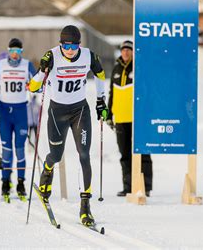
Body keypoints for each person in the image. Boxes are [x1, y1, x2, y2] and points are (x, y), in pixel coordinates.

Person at [29, 25, 108, 226]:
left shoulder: (89, 56)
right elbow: (32, 87)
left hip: (80, 111)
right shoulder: (53, 56)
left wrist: (101, 101)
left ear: (79, 45)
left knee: (84, 155)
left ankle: (85, 207)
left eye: (74, 45)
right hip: (57, 112)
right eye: (66, 45)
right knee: (56, 155)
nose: (70, 50)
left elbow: (100, 75)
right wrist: (41, 70)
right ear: (60, 44)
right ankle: (47, 172)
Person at [0, 38, 36, 202]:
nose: (15, 55)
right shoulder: (0, 65)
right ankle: (6, 182)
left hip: (21, 111)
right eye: (13, 51)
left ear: (22, 52)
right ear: (8, 51)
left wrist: (33, 86)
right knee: (7, 150)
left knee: (20, 149)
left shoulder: (27, 65)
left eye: (19, 52)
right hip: (5, 112)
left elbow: (38, 83)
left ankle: (21, 183)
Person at [106, 40, 152, 197]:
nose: (125, 52)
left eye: (129, 50)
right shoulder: (116, 69)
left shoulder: (139, 68)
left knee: (143, 152)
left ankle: (146, 187)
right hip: (120, 117)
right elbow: (112, 93)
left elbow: (147, 92)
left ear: (133, 52)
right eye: (123, 50)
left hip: (137, 118)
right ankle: (128, 186)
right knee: (124, 154)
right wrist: (109, 114)